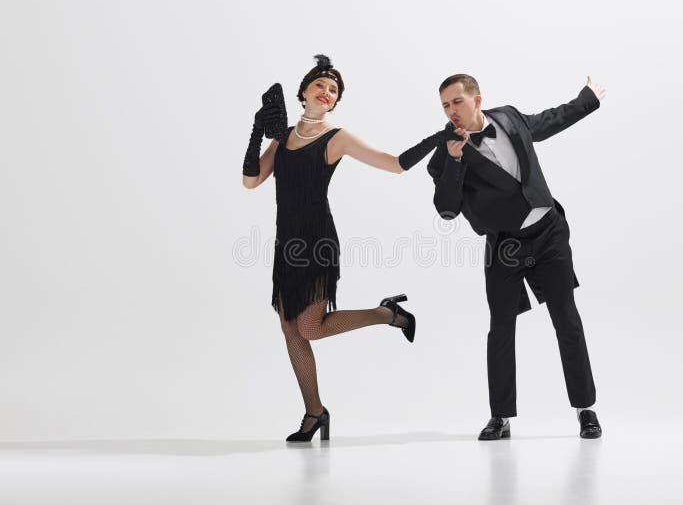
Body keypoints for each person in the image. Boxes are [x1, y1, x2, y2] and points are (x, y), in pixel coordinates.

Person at [242, 55, 461, 442]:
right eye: (320, 86)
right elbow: (251, 181)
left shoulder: (336, 138)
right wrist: (258, 131)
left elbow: (394, 165)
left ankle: (386, 314)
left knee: (309, 326)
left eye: (334, 90)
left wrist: (437, 138)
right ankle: (314, 413)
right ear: (304, 91)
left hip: (317, 243)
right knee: (290, 330)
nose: (327, 93)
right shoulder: (284, 136)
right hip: (284, 243)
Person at [426, 73, 606, 440]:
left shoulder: (508, 116)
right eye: (445, 105)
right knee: (501, 329)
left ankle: (585, 408)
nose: (451, 111)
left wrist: (587, 98)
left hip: (549, 233)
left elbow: (549, 121)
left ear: (476, 100)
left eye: (456, 102)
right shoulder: (442, 155)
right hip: (504, 245)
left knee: (567, 320)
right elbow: (446, 207)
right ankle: (500, 416)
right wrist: (456, 161)